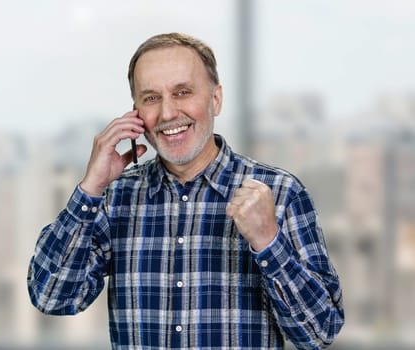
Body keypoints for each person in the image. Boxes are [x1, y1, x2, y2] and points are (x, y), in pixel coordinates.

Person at [27, 32, 344, 349]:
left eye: (182, 92)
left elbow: (320, 332)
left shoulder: (280, 193)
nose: (167, 114)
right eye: (151, 98)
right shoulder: (113, 198)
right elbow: (51, 296)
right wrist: (91, 188)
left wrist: (268, 242)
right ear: (135, 113)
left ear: (215, 99)